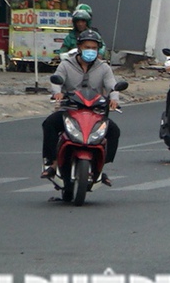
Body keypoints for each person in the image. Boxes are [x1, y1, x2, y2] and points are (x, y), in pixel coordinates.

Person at [41, 35, 118, 180]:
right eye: (87, 47)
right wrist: (57, 93)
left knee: (114, 131)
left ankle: (101, 168)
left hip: (95, 111)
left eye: (94, 48)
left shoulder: (104, 68)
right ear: (79, 47)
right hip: (70, 109)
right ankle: (52, 163)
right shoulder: (66, 65)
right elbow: (57, 80)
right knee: (49, 124)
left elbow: (112, 85)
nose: (91, 51)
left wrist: (114, 99)